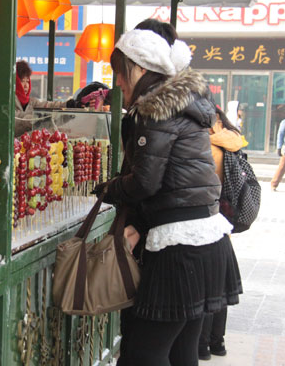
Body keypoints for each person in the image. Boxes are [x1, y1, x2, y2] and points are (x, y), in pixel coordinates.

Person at [93, 19, 242, 366]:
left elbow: (146, 181)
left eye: (120, 72)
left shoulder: (154, 109)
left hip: (181, 248)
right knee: (181, 351)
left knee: (143, 354)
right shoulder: (183, 103)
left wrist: (106, 189)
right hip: (207, 240)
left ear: (138, 68)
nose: (116, 82)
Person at [198, 105, 244, 361]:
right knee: (220, 283)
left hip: (206, 220)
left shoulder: (208, 145)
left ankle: (203, 345)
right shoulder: (232, 139)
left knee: (206, 287)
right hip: (225, 221)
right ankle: (218, 342)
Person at [0, 60, 63, 144]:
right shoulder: (0, 95)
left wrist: (66, 104)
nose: (26, 86)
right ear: (14, 82)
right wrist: (36, 119)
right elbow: (13, 119)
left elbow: (44, 105)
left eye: (27, 81)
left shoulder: (27, 101)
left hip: (11, 144)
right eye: (22, 81)